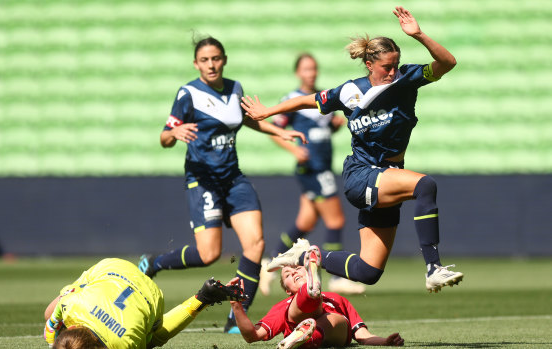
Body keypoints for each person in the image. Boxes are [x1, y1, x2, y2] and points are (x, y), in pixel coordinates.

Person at [241, 7, 463, 293]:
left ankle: (304, 255)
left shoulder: (407, 79)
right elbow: (309, 100)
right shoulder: (350, 91)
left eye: (396, 64)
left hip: (387, 176)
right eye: (386, 67)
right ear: (370, 64)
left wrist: (418, 34)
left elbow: (448, 62)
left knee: (368, 271)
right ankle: (433, 268)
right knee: (425, 185)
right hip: (362, 175)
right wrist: (269, 110)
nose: (392, 72)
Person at [137, 36, 307, 333]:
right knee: (208, 255)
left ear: (224, 59)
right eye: (205, 60)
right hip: (204, 182)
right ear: (196, 64)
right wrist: (174, 135)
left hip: (233, 179)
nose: (211, 64)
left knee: (255, 244)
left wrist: (279, 133)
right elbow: (164, 137)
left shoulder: (235, 88)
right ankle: (155, 263)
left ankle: (235, 319)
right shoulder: (188, 94)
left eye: (216, 58)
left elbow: (246, 119)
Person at [260, 53, 365, 296]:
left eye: (314, 68)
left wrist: (333, 127)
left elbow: (320, 131)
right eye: (306, 69)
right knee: (336, 221)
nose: (311, 73)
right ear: (298, 72)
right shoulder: (292, 99)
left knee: (305, 223)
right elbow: (274, 130)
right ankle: (337, 279)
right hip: (313, 169)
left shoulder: (323, 97)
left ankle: (270, 265)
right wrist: (294, 149)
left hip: (322, 165)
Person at [43, 258, 246, 348]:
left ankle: (202, 298)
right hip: (115, 267)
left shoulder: (123, 344)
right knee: (49, 313)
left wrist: (52, 340)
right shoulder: (71, 305)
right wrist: (52, 342)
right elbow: (51, 324)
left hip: (152, 295)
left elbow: (51, 329)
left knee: (151, 341)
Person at [229, 245, 404, 348]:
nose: (294, 272)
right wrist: (236, 306)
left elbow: (362, 335)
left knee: (333, 318)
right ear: (288, 290)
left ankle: (305, 334)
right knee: (293, 309)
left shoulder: (337, 298)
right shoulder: (285, 305)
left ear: (307, 270)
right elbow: (252, 335)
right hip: (300, 316)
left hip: (332, 332)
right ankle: (308, 306)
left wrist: (384, 341)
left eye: (297, 268)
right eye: (288, 275)